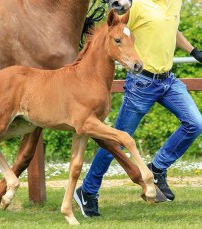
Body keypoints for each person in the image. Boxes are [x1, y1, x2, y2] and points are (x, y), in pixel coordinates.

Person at [74, 0, 202, 217]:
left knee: (196, 123)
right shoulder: (140, 5)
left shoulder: (175, 4)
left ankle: (157, 168)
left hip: (168, 80)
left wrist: (194, 50)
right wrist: (120, 6)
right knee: (117, 142)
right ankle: (87, 191)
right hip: (142, 83)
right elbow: (115, 25)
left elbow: (171, 29)